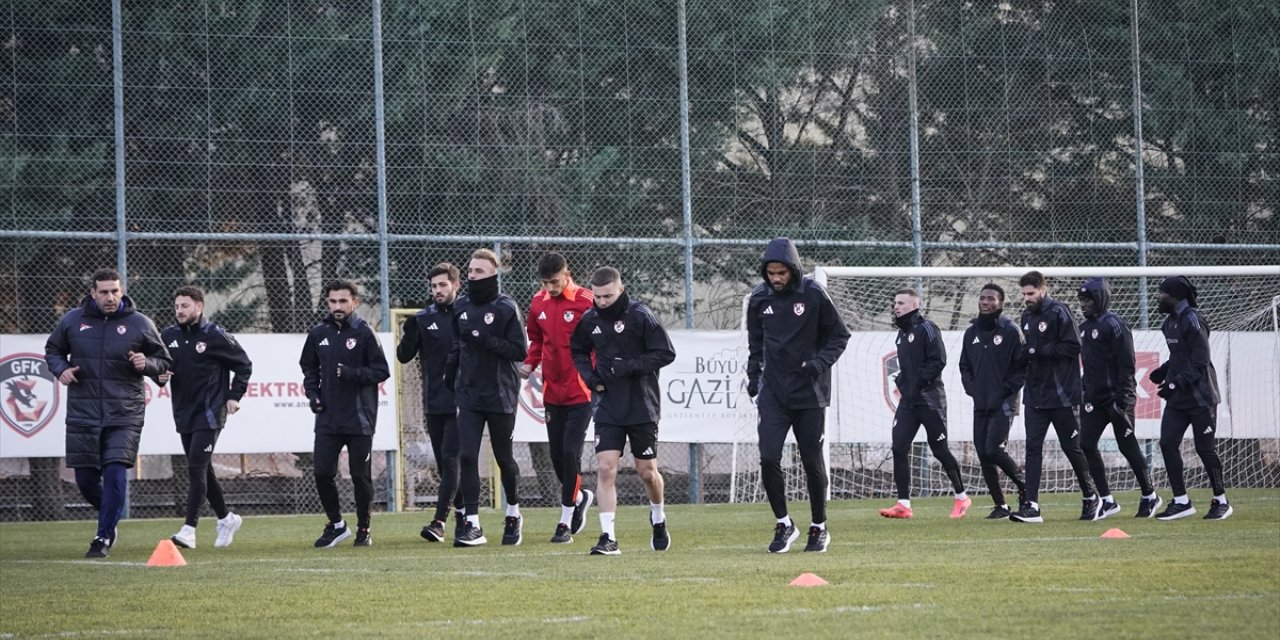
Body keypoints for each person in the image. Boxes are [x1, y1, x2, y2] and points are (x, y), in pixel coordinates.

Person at [44, 268, 172, 558]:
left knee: (115, 472)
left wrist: (146, 364)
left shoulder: (140, 323)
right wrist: (61, 369)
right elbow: (52, 350)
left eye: (115, 291)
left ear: (121, 290)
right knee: (86, 481)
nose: (110, 297)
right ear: (93, 293)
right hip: (83, 412)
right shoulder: (72, 320)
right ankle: (110, 519)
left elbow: (163, 361)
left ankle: (102, 537)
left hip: (124, 412)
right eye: (104, 292)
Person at [745, 238, 850, 553]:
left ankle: (819, 526)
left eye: (781, 273)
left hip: (810, 394)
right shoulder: (758, 299)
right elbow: (755, 343)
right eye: (771, 273)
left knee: (811, 461)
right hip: (773, 395)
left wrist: (818, 364)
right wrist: (754, 377)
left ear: (793, 269)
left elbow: (839, 335)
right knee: (767, 458)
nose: (776, 278)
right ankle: (784, 523)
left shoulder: (814, 294)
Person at [570, 267, 676, 555]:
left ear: (621, 289)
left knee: (647, 473)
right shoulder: (589, 319)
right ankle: (608, 537)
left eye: (608, 296)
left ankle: (657, 516)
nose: (602, 302)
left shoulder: (640, 315)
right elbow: (577, 349)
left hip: (642, 403)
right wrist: (591, 378)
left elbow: (666, 353)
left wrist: (629, 366)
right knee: (605, 469)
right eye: (598, 296)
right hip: (607, 404)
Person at [157, 285, 253, 549]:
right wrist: (159, 376)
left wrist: (234, 396)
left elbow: (244, 365)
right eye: (177, 306)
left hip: (210, 414)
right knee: (203, 470)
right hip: (183, 413)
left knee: (196, 468)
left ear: (199, 307)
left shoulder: (216, 335)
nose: (179, 311)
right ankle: (226, 518)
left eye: (185, 306)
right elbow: (160, 367)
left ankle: (189, 529)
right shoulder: (168, 336)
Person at [300, 279, 390, 548]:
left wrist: (352, 374)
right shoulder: (318, 333)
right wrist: (313, 394)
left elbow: (381, 371)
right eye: (332, 301)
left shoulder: (364, 332)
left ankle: (364, 528)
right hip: (328, 417)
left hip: (359, 418)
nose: (337, 306)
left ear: (355, 302)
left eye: (342, 301)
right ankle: (337, 524)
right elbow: (308, 368)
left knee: (359, 475)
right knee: (322, 472)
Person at [447, 249, 528, 546]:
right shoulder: (462, 306)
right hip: (469, 393)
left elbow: (519, 351)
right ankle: (473, 524)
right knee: (467, 456)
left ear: (493, 274)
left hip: (500, 392)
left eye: (478, 271)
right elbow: (458, 343)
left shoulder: (506, 307)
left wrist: (484, 339)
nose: (472, 275)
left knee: (503, 458)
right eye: (470, 270)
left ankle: (513, 513)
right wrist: (450, 370)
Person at [519, 252, 596, 544]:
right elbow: (537, 340)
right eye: (545, 283)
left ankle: (564, 522)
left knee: (569, 453)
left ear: (567, 274)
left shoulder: (586, 301)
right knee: (556, 456)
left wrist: (598, 375)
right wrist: (529, 363)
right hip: (552, 392)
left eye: (554, 282)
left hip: (581, 391)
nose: (550, 288)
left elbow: (599, 340)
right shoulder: (538, 302)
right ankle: (579, 497)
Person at [1013, 271, 1099, 523]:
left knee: (1072, 448)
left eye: (1031, 293)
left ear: (1042, 289)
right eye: (1024, 294)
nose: (1027, 298)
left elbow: (1075, 346)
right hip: (1035, 395)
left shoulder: (1059, 312)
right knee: (1032, 448)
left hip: (1062, 395)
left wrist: (1039, 350)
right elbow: (1029, 351)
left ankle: (1090, 496)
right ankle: (1032, 506)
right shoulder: (1026, 316)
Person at [879, 288, 970, 520]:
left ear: (913, 306)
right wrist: (902, 382)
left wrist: (916, 384)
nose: (896, 306)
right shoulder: (902, 333)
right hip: (909, 402)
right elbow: (905, 368)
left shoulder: (927, 328)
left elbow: (938, 360)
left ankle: (962, 497)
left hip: (930, 400)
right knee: (899, 447)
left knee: (939, 449)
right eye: (895, 302)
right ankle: (903, 504)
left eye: (901, 303)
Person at [1077, 278, 1160, 519]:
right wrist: (1085, 391)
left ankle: (1149, 495)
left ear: (1101, 298)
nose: (1084, 304)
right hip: (1094, 399)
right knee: (1086, 444)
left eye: (1088, 299)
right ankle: (1107, 500)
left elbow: (1127, 364)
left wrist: (1124, 398)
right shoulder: (1083, 328)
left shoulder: (1115, 325)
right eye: (1082, 300)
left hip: (1116, 398)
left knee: (1126, 444)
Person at [1150, 276, 1232, 521]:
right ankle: (1181, 501)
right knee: (1167, 444)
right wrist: (1164, 370)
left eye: (1161, 293)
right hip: (1178, 399)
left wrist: (1174, 382)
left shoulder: (1193, 320)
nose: (1158, 297)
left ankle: (1221, 501)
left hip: (1201, 398)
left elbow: (1200, 361)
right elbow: (1180, 356)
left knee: (1204, 449)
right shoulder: (1169, 323)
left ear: (1175, 296)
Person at [396, 263, 466, 543]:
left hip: (462, 403)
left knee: (450, 462)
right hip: (433, 403)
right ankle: (463, 517)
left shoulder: (467, 315)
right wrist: (411, 333)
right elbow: (403, 356)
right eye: (434, 286)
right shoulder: (423, 318)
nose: (437, 291)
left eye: (443, 285)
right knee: (444, 464)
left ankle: (439, 522)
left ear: (455, 285)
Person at [958, 283, 1029, 519]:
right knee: (982, 452)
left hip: (1004, 403)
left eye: (991, 299)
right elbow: (964, 366)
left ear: (1001, 303)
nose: (985, 302)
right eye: (983, 298)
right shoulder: (971, 333)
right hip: (981, 403)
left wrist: (1005, 391)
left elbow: (1022, 368)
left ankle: (1026, 487)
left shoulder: (1010, 330)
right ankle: (1000, 505)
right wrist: (972, 389)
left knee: (993, 449)